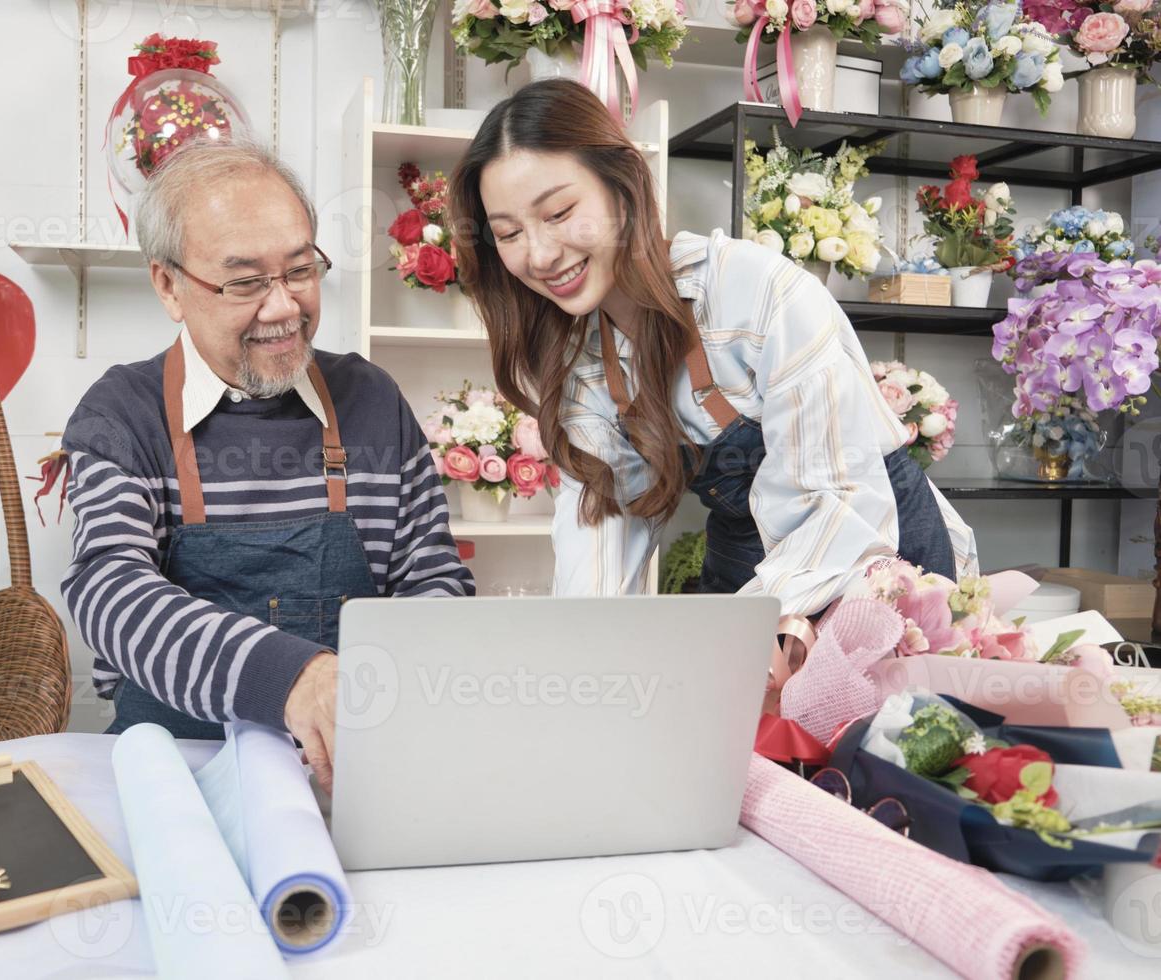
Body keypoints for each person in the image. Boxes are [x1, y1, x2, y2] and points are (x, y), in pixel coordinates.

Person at [448, 80, 977, 614]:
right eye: (509, 233)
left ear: (622, 185)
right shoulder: (580, 361)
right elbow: (603, 524)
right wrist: (587, 648)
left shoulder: (755, 292)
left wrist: (771, 634)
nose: (538, 256)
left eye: (559, 213)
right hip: (744, 551)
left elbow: (836, 500)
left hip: (871, 542)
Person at [62, 137, 474, 791]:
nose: (284, 308)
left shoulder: (372, 402)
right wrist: (288, 677)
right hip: (179, 778)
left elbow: (434, 585)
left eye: (301, 271)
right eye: (247, 281)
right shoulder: (123, 413)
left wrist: (396, 707)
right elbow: (110, 590)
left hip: (353, 778)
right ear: (169, 285)